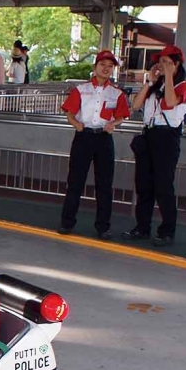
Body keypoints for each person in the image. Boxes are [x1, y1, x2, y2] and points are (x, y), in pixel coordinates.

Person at [122, 45, 186, 247]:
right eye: (161, 62)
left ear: (177, 64)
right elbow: (135, 105)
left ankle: (167, 231)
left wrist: (169, 76)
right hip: (149, 134)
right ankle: (142, 227)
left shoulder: (184, 86)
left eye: (168, 62)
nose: (162, 65)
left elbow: (170, 102)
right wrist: (150, 81)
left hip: (167, 137)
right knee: (144, 185)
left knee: (163, 186)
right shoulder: (155, 85)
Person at [57, 50, 131, 240]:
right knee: (75, 181)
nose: (106, 69)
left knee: (104, 184)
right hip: (84, 137)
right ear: (95, 67)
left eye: (110, 66)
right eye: (102, 65)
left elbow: (122, 115)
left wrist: (113, 124)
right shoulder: (81, 90)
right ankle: (67, 222)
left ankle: (103, 226)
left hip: (103, 139)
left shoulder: (116, 93)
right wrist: (77, 125)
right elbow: (69, 112)